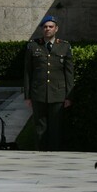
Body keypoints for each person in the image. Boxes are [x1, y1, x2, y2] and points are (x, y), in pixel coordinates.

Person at [24, 15, 74, 151]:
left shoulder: (64, 46)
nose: (47, 29)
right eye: (45, 27)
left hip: (58, 93)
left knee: (56, 127)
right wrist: (27, 96)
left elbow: (69, 74)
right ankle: (40, 152)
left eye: (50, 27)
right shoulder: (33, 46)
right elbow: (28, 72)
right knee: (40, 127)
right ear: (42, 29)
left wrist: (69, 96)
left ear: (56, 29)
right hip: (38, 93)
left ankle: (55, 154)